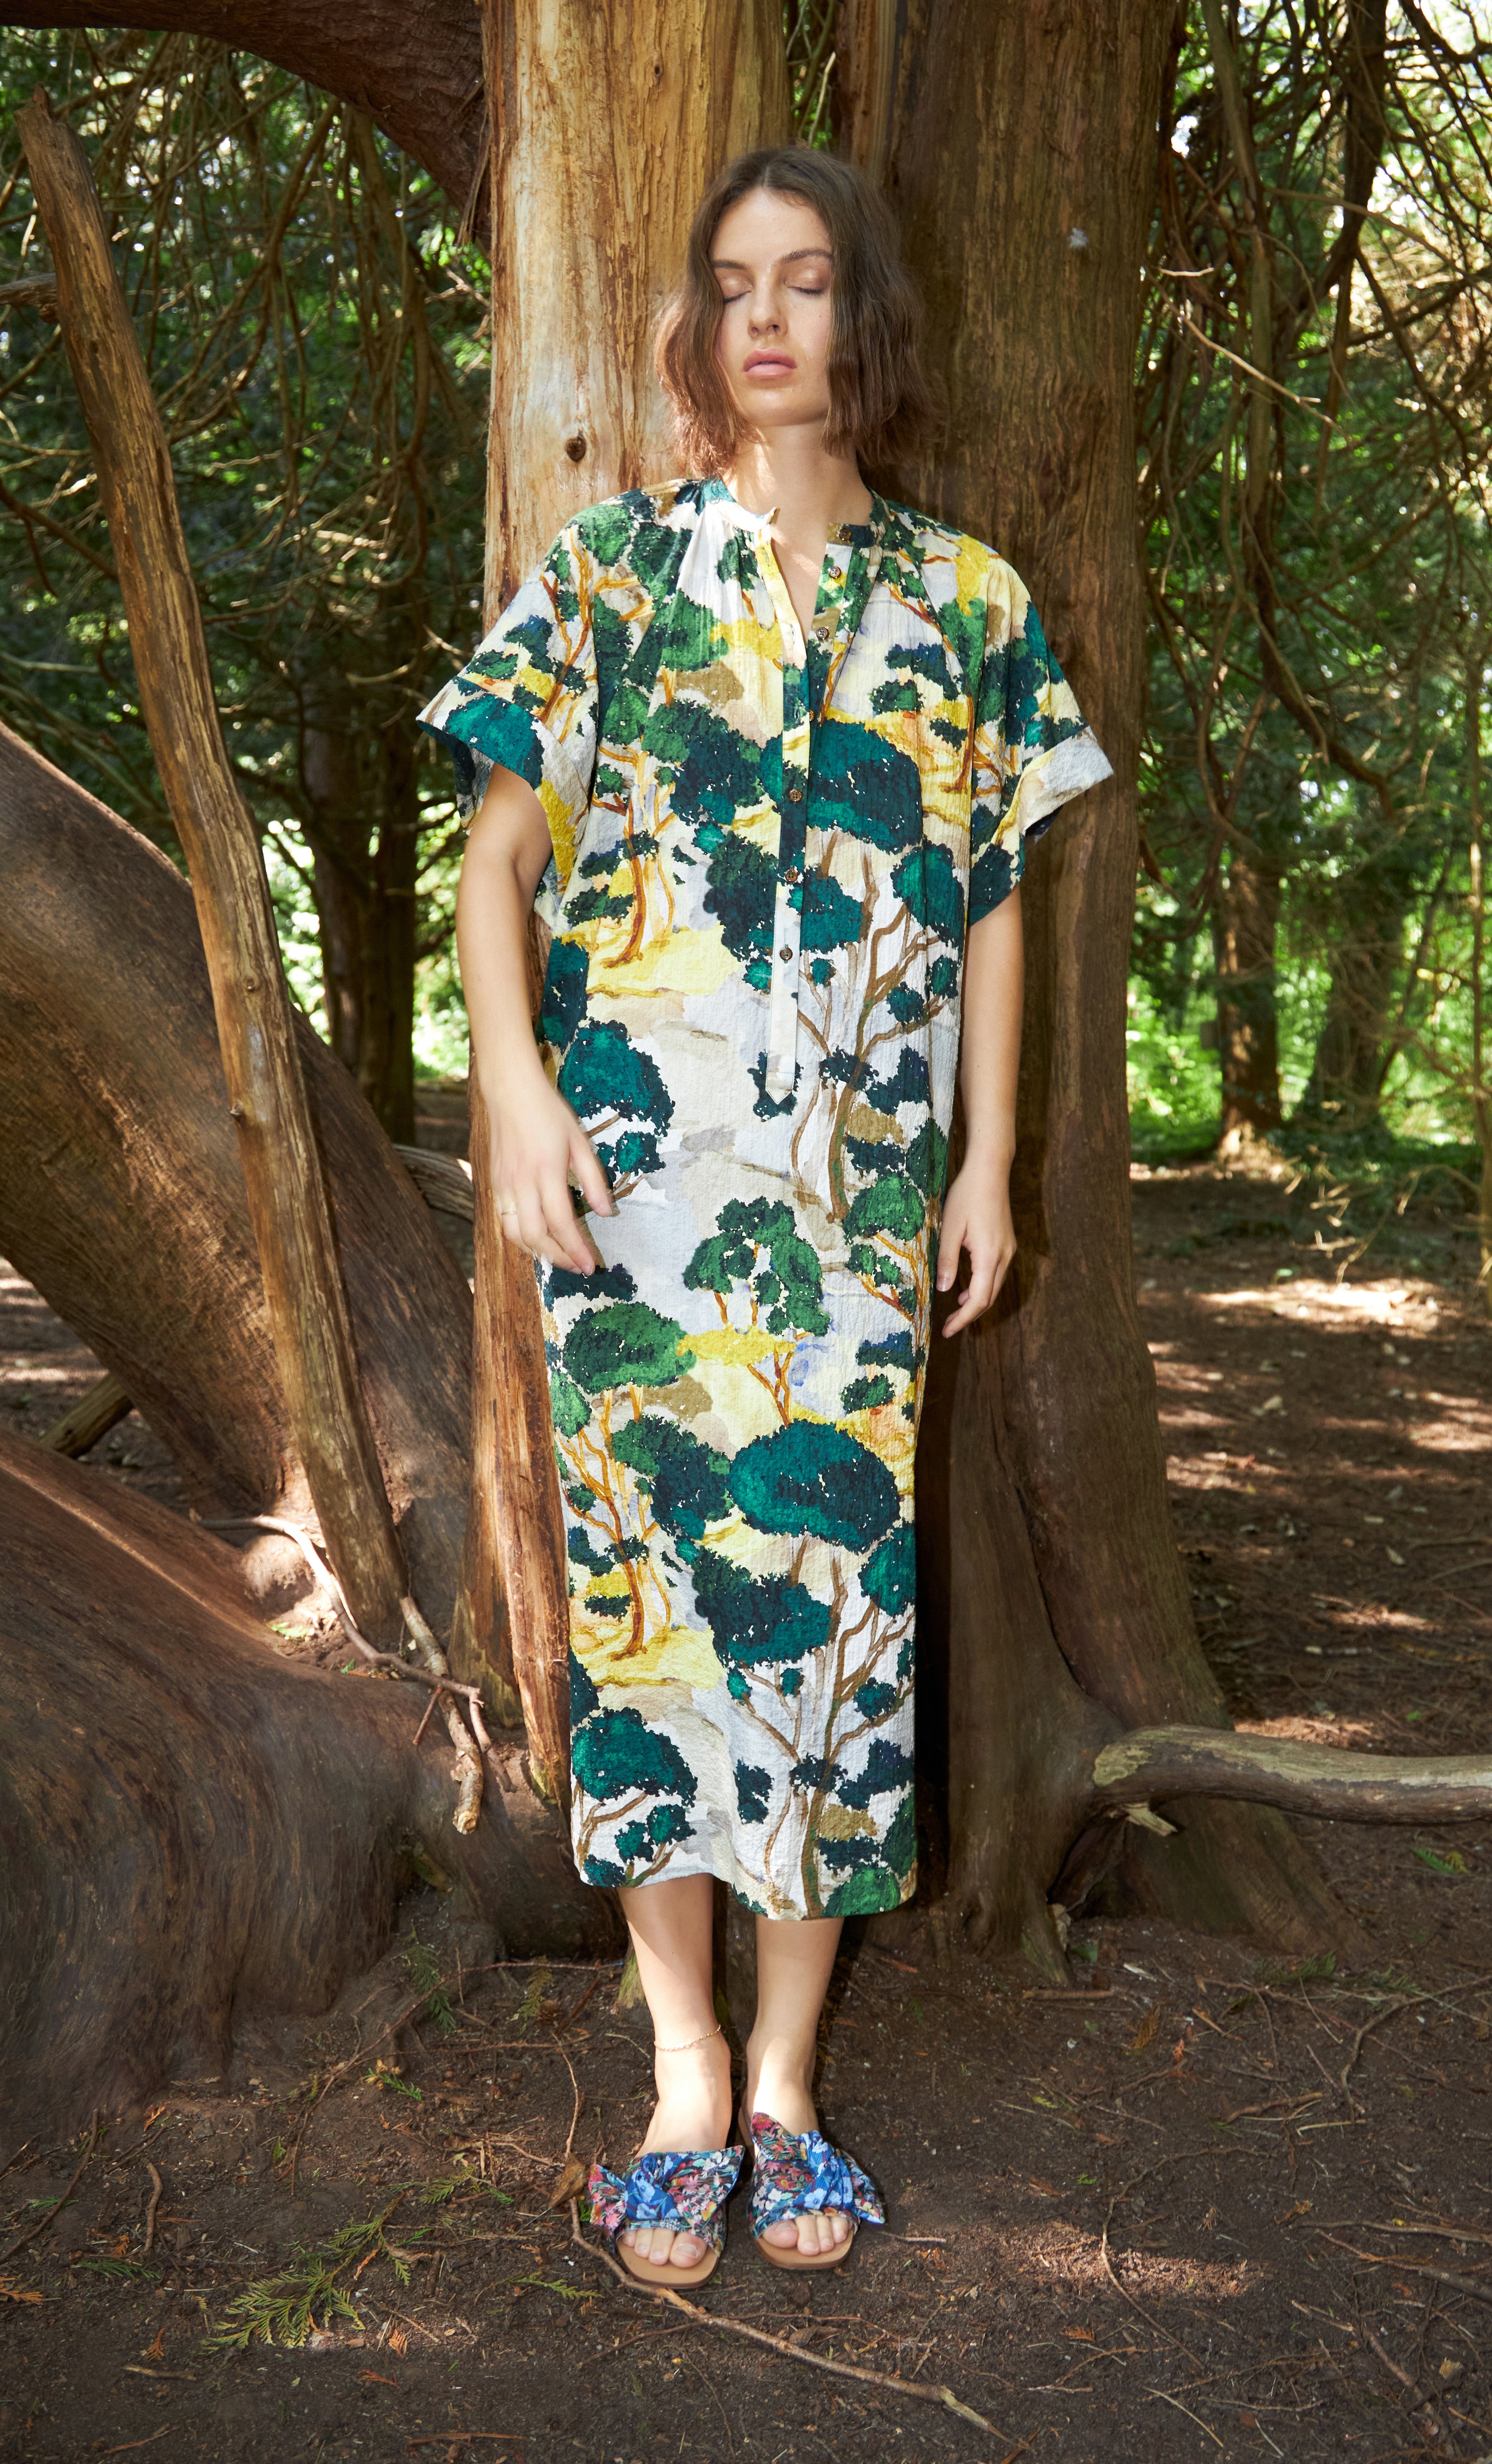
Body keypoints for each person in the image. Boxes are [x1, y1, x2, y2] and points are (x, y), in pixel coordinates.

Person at [420, 145, 1108, 2285]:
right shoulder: (608, 576)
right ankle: (681, 2075)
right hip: (629, 1214)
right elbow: (493, 872)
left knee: (830, 1646)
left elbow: (992, 911)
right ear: (697, 330)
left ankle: (793, 2083)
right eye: (732, 287)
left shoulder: (971, 604)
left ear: (861, 318)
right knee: (648, 1645)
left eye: (807, 283)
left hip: (854, 1229)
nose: (768, 321)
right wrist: (515, 1088)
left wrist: (987, 1161)